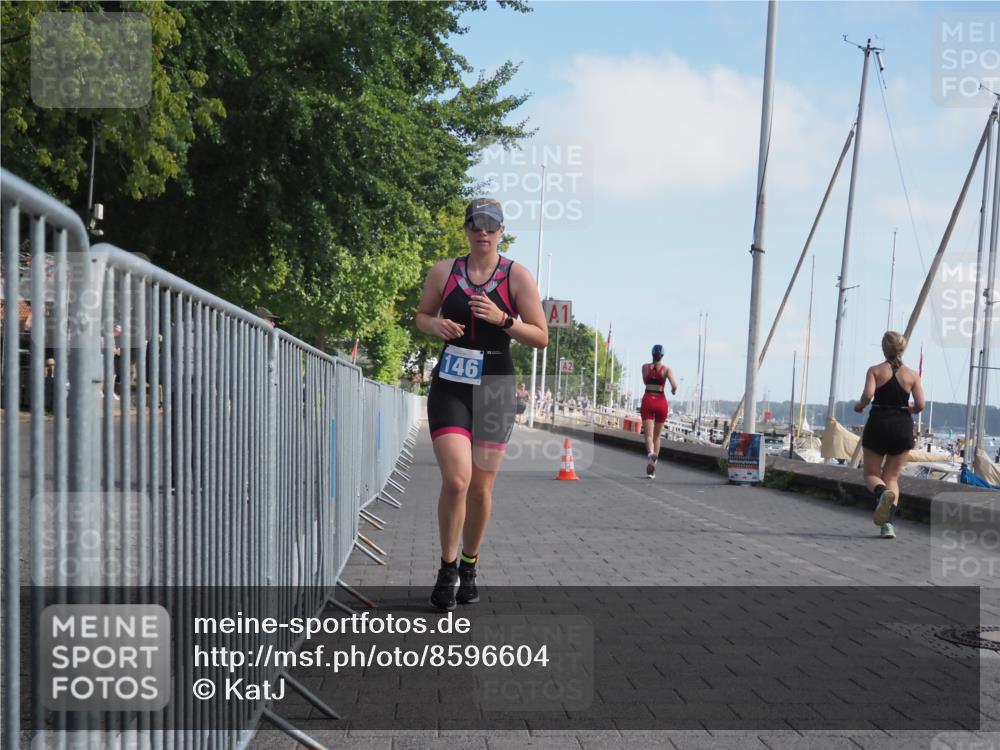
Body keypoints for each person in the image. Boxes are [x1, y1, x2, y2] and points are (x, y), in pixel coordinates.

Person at [415, 198, 547, 611]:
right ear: (467, 229)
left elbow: (540, 336)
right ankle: (447, 568)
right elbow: (421, 315)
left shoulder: (516, 276)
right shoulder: (444, 271)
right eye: (476, 224)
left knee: (480, 488)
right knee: (457, 481)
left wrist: (503, 319)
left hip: (495, 385)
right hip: (452, 384)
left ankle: (470, 565)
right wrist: (434, 324)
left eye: (491, 225)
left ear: (501, 231)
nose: (483, 231)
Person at [853, 331, 925, 539]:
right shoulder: (912, 375)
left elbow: (868, 395)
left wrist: (860, 406)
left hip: (879, 423)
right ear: (902, 349)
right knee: (892, 477)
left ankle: (880, 493)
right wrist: (908, 410)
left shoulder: (875, 370)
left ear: (884, 348)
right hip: (901, 426)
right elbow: (920, 404)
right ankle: (888, 527)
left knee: (871, 475)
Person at [640, 345, 677, 478]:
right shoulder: (666, 370)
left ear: (652, 354)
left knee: (648, 435)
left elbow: (645, 381)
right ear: (662, 356)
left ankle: (650, 453)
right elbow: (674, 385)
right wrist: (673, 390)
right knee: (657, 436)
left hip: (648, 399)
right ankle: (653, 468)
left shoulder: (645, 367)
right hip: (661, 402)